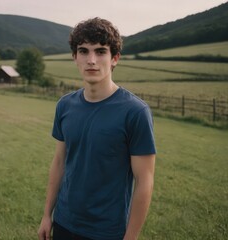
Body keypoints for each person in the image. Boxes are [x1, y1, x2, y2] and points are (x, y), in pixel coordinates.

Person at [38, 18, 156, 240]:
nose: (91, 60)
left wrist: (130, 238)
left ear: (115, 59)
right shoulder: (65, 105)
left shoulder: (135, 112)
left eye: (101, 51)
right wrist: (47, 215)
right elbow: (59, 162)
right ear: (75, 57)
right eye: (84, 51)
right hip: (63, 222)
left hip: (107, 231)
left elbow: (145, 181)